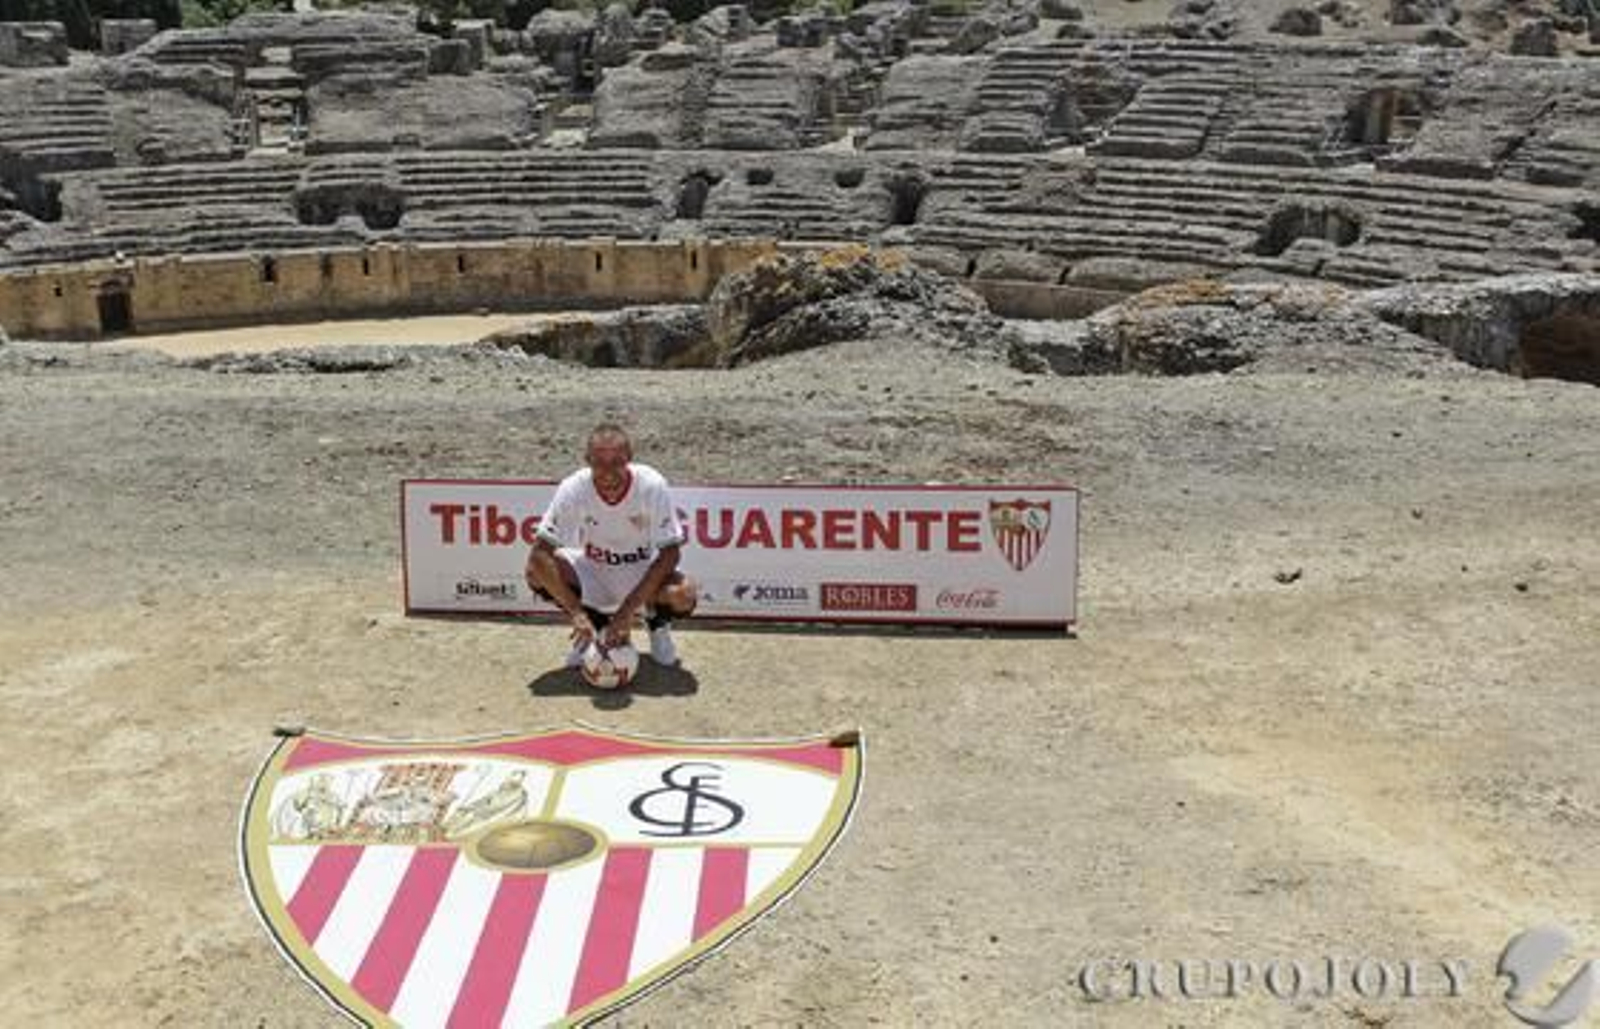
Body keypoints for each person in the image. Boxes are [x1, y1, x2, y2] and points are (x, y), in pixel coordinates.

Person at [525, 423, 698, 670]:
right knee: (536, 572)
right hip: (593, 571)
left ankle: (656, 623)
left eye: (616, 461)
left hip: (640, 574)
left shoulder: (651, 484)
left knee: (684, 594)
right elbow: (539, 556)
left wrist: (628, 611)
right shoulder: (574, 487)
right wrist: (576, 612)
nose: (608, 472)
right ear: (587, 460)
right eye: (599, 462)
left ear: (629, 458)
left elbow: (671, 554)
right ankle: (593, 626)